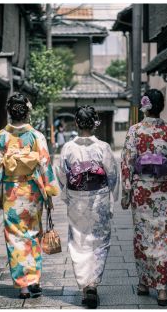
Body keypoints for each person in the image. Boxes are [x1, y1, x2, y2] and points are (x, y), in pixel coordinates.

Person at [121, 89, 167, 306]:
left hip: (141, 193)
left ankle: (144, 283)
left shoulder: (134, 131)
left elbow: (127, 163)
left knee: (143, 237)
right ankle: (162, 290)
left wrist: (126, 193)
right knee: (164, 240)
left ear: (144, 106)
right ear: (161, 106)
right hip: (166, 192)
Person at [0, 93, 59, 299]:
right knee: (33, 233)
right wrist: (50, 191)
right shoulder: (37, 136)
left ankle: (23, 285)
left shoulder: (1, 136)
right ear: (27, 112)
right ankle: (34, 280)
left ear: (9, 112)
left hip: (11, 191)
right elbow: (45, 164)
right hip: (33, 190)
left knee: (14, 237)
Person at [56, 106, 119, 309]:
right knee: (99, 242)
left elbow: (61, 174)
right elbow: (112, 175)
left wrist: (67, 193)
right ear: (95, 123)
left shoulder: (67, 148)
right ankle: (93, 284)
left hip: (76, 198)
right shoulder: (103, 147)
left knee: (79, 241)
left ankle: (85, 286)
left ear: (76, 123)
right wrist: (113, 196)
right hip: (99, 197)